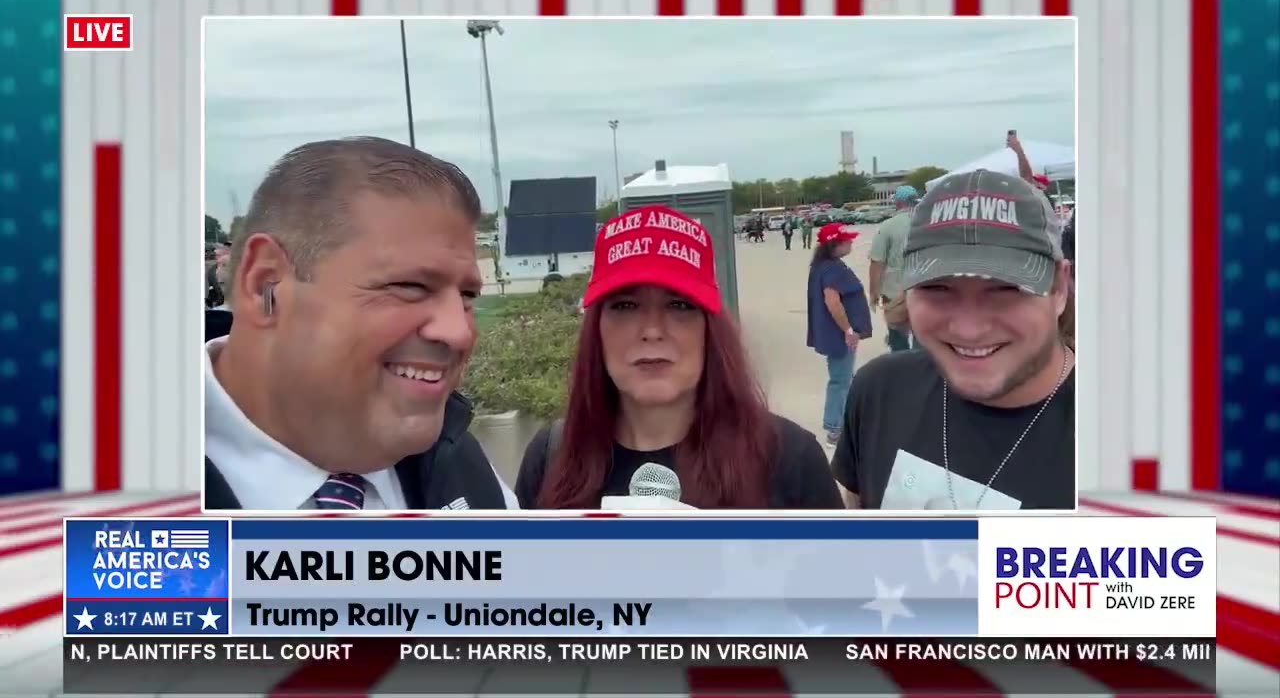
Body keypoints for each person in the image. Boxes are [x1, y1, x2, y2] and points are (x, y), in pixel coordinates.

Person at [204, 136, 518, 511]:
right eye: (410, 286)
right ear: (264, 285)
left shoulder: (464, 474)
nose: (459, 331)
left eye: (467, 296)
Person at [515, 206, 843, 510]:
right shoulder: (550, 458)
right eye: (625, 306)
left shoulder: (790, 461)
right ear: (596, 329)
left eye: (679, 305)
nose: (652, 331)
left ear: (710, 330)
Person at [832, 170, 1075, 510]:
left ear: (1060, 288)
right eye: (936, 287)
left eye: (1006, 289)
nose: (968, 329)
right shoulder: (879, 392)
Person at [806, 222, 873, 447]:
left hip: (835, 334)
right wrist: (849, 330)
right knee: (840, 381)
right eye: (848, 239)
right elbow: (832, 301)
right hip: (840, 335)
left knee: (843, 378)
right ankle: (835, 429)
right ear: (836, 243)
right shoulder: (832, 269)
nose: (852, 242)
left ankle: (841, 423)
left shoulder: (823, 266)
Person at [868, 185, 919, 352]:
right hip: (924, 290)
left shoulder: (888, 226)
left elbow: (877, 262)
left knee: (897, 337)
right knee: (923, 337)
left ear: (898, 203)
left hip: (894, 292)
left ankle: (901, 371)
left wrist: (873, 293)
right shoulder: (928, 223)